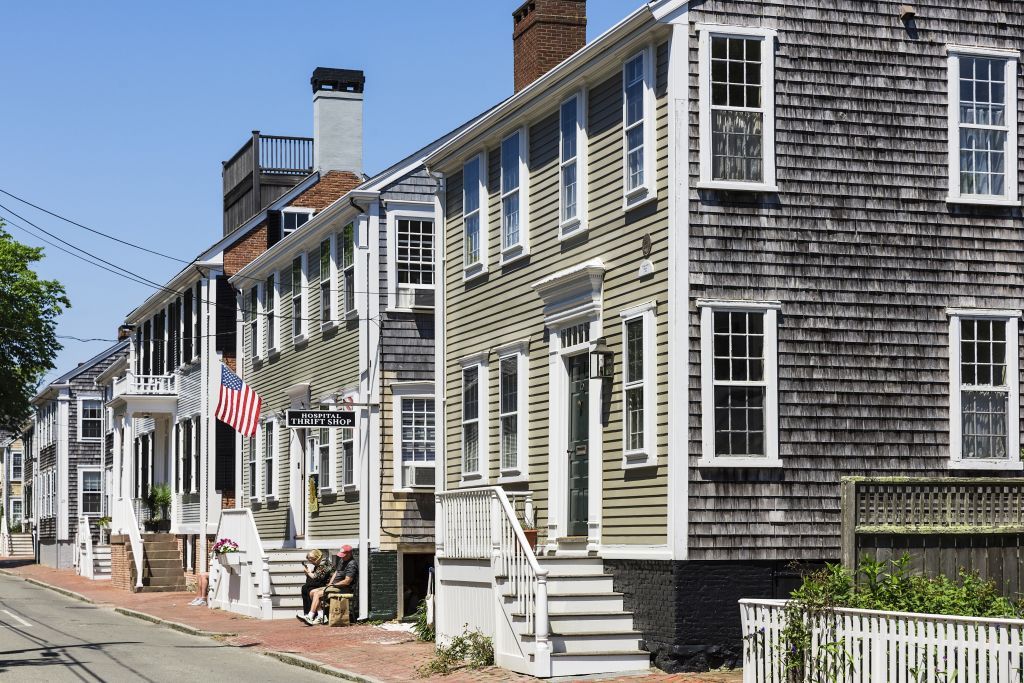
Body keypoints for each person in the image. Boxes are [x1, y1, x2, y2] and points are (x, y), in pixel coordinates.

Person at [300, 545, 357, 625]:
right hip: (334, 585)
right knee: (312, 592)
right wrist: (330, 583)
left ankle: (310, 616)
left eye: (344, 556)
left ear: (349, 554)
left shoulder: (352, 564)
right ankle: (321, 616)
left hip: (342, 588)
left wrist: (333, 585)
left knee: (317, 593)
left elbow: (347, 581)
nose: (342, 557)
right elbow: (336, 572)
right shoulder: (342, 560)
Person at [296, 549, 332, 622]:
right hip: (321, 583)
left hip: (327, 584)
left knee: (309, 588)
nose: (311, 562)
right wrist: (308, 573)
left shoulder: (324, 564)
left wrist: (308, 572)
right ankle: (315, 613)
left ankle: (313, 614)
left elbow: (316, 577)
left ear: (317, 558)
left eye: (312, 560)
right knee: (305, 588)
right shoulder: (318, 565)